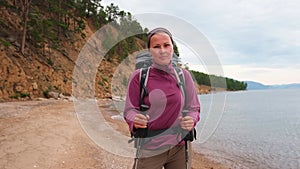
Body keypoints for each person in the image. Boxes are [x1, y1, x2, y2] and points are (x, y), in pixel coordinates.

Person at [124, 27, 200, 169]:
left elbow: (194, 108)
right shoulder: (139, 77)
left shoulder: (184, 76)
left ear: (172, 48)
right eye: (156, 46)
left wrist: (192, 119)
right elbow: (129, 109)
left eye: (166, 45)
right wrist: (135, 119)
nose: (162, 50)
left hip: (180, 146)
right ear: (150, 51)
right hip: (149, 147)